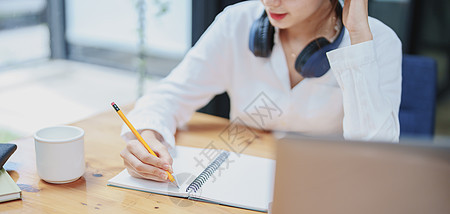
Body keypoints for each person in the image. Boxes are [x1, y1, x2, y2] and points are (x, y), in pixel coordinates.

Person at [120, 0, 402, 182]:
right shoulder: (236, 22)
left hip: (327, 190)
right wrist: (148, 137)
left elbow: (377, 159)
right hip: (239, 181)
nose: (270, 2)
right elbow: (169, 95)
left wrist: (358, 44)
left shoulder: (379, 42)